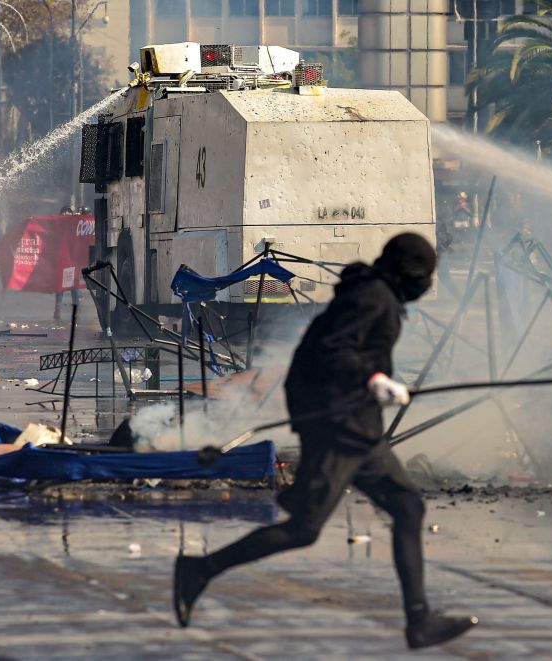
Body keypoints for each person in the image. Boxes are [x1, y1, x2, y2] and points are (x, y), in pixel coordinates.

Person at [173, 233, 478, 650]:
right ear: (408, 271)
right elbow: (332, 352)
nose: (426, 283)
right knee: (304, 529)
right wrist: (374, 380)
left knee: (408, 505)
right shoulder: (373, 297)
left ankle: (419, 620)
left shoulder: (374, 292)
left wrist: (373, 382)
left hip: (359, 429)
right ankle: (201, 569)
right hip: (340, 430)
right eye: (424, 274)